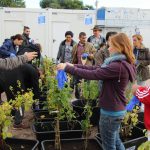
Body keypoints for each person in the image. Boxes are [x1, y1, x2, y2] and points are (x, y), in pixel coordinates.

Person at [57, 33, 136, 150]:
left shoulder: (117, 66)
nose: (108, 48)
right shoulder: (120, 63)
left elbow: (93, 74)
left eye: (111, 45)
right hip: (116, 109)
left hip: (111, 112)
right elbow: (96, 68)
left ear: (120, 47)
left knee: (108, 145)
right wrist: (73, 65)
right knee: (115, 140)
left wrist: (67, 68)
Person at [72, 32, 96, 98]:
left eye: (85, 38)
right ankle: (77, 98)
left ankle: (86, 97)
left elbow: (94, 55)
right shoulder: (75, 46)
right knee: (77, 83)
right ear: (79, 38)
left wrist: (88, 55)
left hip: (87, 68)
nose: (84, 39)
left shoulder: (90, 45)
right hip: (78, 68)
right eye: (83, 38)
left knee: (87, 83)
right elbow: (73, 57)